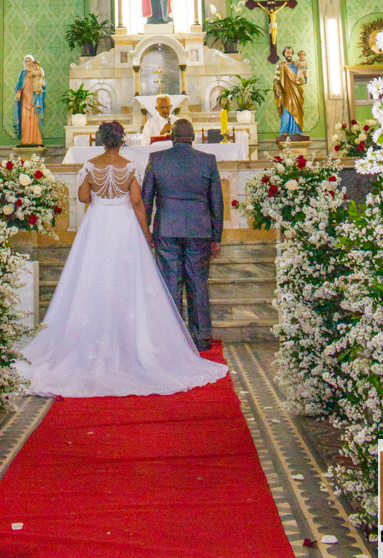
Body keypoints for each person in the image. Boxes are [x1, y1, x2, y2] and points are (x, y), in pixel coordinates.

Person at [18, 121, 227, 396]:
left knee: (110, 280)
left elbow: (84, 197)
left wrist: (147, 227)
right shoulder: (137, 166)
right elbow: (142, 202)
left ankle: (132, 338)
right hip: (152, 227)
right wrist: (149, 232)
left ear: (100, 139)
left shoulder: (101, 164)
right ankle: (189, 338)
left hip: (109, 227)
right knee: (173, 283)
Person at [142, 118, 223, 352]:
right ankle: (201, 337)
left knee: (170, 282)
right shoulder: (207, 161)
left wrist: (145, 230)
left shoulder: (157, 159)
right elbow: (217, 202)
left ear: (171, 136)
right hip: (199, 229)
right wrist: (216, 237)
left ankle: (172, 336)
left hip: (167, 228)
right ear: (194, 137)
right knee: (198, 282)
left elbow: (147, 199)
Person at [274, 45, 306, 137]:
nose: (289, 54)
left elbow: (302, 78)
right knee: (286, 111)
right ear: (284, 54)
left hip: (296, 91)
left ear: (292, 54)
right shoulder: (281, 65)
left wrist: (304, 74)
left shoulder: (296, 65)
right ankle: (285, 131)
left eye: (290, 52)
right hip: (285, 92)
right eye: (287, 52)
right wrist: (277, 89)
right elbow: (276, 80)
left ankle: (297, 131)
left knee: (296, 109)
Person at [14, 54, 45, 145]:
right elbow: (19, 85)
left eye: (29, 61)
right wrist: (18, 92)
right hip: (25, 99)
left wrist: (42, 84)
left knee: (34, 118)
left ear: (33, 62)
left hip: (35, 99)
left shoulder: (38, 71)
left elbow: (43, 83)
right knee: (25, 119)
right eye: (26, 61)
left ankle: (36, 140)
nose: (28, 63)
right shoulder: (23, 73)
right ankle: (25, 140)